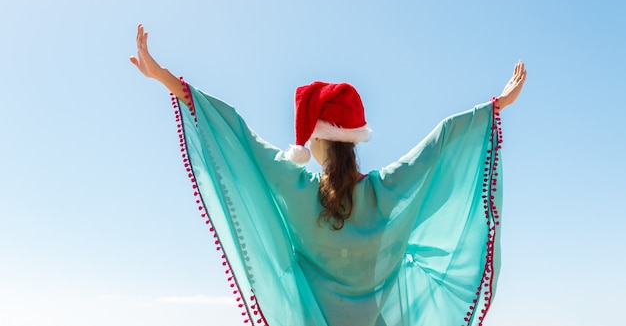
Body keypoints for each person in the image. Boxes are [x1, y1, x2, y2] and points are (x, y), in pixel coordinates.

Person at [131, 24, 526, 326]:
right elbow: (439, 145)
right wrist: (496, 106)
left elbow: (237, 135)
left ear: (315, 141)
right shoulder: (385, 192)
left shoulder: (296, 188)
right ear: (352, 142)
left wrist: (165, 77)